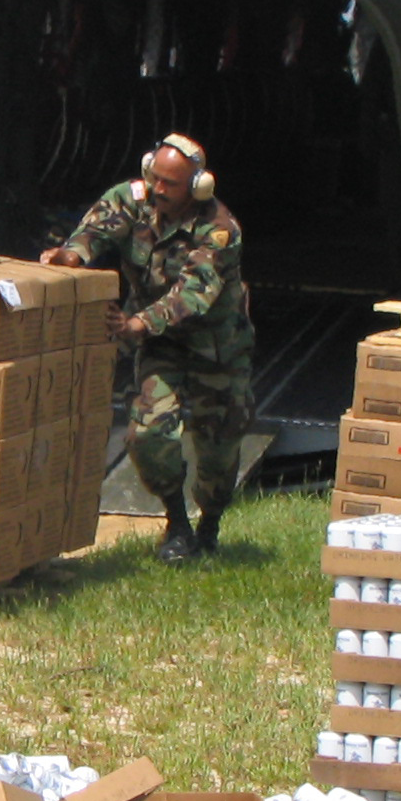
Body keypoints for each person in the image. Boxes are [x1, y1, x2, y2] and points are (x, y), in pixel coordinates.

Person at [41, 134, 254, 564]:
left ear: (197, 187)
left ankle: (209, 526)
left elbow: (192, 295)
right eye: (154, 177)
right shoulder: (131, 200)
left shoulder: (219, 230)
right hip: (161, 344)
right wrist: (72, 256)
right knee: (148, 432)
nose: (158, 189)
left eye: (170, 184)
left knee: (219, 446)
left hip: (217, 347)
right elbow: (96, 229)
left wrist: (136, 324)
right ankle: (177, 524)